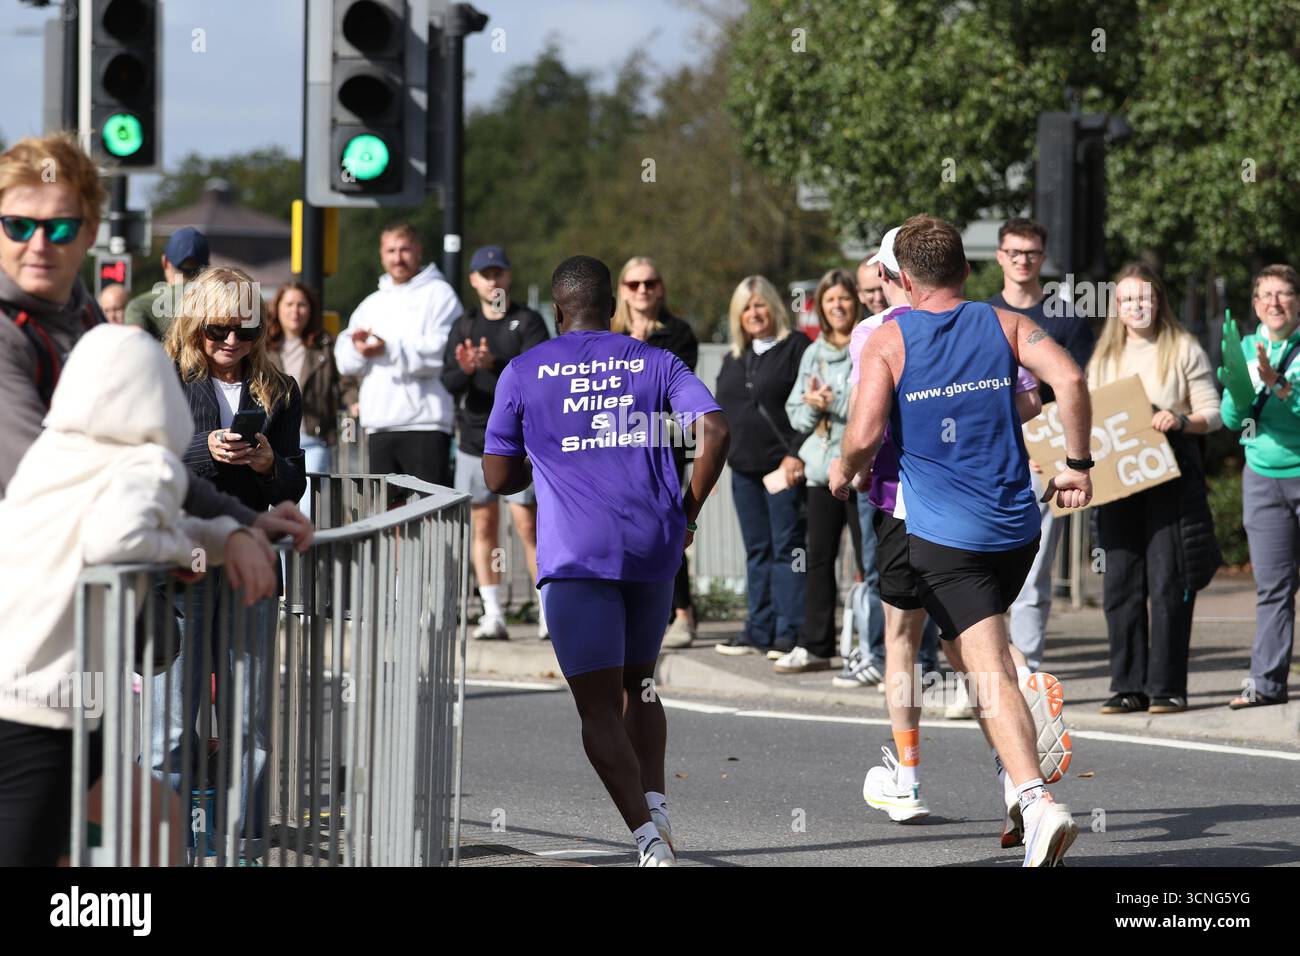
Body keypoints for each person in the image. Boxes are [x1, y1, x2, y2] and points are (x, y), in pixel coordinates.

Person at [832, 214, 1090, 866]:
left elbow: (863, 434)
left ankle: (1036, 800)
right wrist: (1078, 465)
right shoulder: (1004, 323)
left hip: (947, 537)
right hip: (1017, 528)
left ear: (903, 278)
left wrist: (844, 470)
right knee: (973, 653)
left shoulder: (887, 339)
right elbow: (1069, 380)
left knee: (984, 665)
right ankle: (1013, 773)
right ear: (968, 269)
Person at [482, 255, 729, 866]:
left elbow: (497, 475)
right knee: (640, 685)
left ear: (557, 311)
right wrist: (687, 513)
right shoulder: (655, 360)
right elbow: (716, 431)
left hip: (576, 558)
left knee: (597, 707)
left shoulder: (523, 370)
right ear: (612, 308)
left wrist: (537, 459)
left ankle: (647, 839)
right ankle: (658, 806)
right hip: (652, 549)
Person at [0, 324, 276, 866]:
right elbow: (119, 537)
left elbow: (141, 525)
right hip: (49, 704)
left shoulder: (52, 454)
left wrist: (225, 538)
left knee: (151, 821)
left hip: (32, 686)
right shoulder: (147, 464)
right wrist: (184, 552)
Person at [0, 133, 309, 551]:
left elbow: (145, 463)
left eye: (59, 227)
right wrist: (207, 535)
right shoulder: (15, 332)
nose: (38, 244)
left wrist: (244, 524)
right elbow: (52, 479)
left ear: (89, 233)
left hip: (110, 571)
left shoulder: (90, 322)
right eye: (18, 226)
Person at [153, 266, 307, 859]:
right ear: (195, 324)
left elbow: (292, 485)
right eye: (217, 330)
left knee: (251, 719)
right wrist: (206, 448)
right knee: (171, 720)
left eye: (245, 330)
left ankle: (244, 845)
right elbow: (147, 465)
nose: (231, 342)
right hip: (183, 561)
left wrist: (268, 464)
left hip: (252, 564)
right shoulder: (166, 377)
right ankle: (168, 845)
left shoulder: (279, 389)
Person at [1089, 264, 1221, 715]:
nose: (1136, 306)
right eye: (1127, 300)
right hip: (1118, 479)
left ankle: (1166, 687)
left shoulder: (1183, 348)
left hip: (1171, 476)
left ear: (1159, 300)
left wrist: (1180, 420)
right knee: (1120, 584)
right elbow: (1086, 414)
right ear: (1117, 306)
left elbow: (1213, 414)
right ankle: (1128, 686)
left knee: (1169, 582)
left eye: (1144, 298)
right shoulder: (1105, 356)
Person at [988, 218, 1095, 677]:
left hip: (1044, 462)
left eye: (1031, 252)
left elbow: (1077, 389)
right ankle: (989, 668)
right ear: (999, 256)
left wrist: (1059, 455)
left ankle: (1026, 673)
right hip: (989, 461)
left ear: (1043, 257)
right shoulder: (981, 316)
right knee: (980, 571)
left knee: (1032, 575)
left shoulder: (1066, 318)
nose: (1022, 260)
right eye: (1014, 252)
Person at [441, 245, 550, 640]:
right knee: (483, 526)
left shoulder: (528, 321)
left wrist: (494, 366)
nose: (492, 281)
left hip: (522, 442)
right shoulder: (464, 325)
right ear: (473, 280)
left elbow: (540, 375)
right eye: (485, 275)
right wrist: (468, 369)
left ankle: (547, 611)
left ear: (508, 276)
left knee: (529, 526)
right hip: (475, 441)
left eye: (498, 273)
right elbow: (449, 381)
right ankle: (493, 613)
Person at [771, 269, 864, 673]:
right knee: (819, 559)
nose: (838, 306)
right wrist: (813, 407)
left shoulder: (868, 343)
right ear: (821, 307)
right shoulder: (813, 353)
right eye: (830, 300)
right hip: (822, 471)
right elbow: (795, 413)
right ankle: (817, 645)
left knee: (870, 563)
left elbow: (872, 408)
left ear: (855, 302)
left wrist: (833, 404)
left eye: (844, 298)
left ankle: (874, 647)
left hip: (862, 470)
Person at [713, 275, 810, 657]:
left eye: (760, 304)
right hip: (743, 469)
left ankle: (790, 631)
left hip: (783, 467)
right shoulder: (734, 357)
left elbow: (811, 408)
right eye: (746, 308)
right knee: (757, 550)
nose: (754, 313)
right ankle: (758, 628)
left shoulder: (796, 347)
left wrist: (795, 454)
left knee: (789, 549)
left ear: (774, 307)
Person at [1221, 264, 1300, 710]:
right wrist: (1240, 389)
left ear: (1297, 301)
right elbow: (1233, 420)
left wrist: (1279, 385)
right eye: (1266, 295)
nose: (1275, 302)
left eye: (1284, 293)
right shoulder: (1245, 348)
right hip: (1263, 479)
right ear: (1255, 305)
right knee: (1273, 587)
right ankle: (1266, 683)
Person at [335, 222, 463, 490]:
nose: (398, 258)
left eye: (404, 249)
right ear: (381, 255)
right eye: (391, 251)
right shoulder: (372, 303)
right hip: (380, 424)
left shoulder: (440, 294)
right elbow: (344, 360)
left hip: (426, 423)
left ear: (418, 251)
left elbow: (444, 351)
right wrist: (359, 349)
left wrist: (389, 349)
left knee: (429, 509)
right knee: (386, 510)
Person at [614, 256, 701, 647]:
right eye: (634, 284)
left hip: (666, 441)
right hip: (618, 444)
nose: (642, 290)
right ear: (621, 290)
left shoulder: (678, 333)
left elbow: (674, 390)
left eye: (649, 282)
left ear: (661, 287)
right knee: (624, 527)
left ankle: (683, 612)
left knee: (666, 525)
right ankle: (642, 611)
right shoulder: (610, 335)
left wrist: (640, 351)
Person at [267, 281, 355, 516]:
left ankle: (303, 542)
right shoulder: (263, 348)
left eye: (302, 305)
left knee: (306, 512)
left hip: (313, 441)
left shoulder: (324, 346)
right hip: (272, 443)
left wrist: (354, 403)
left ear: (311, 310)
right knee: (273, 513)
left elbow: (345, 382)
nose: (295, 311)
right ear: (277, 308)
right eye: (289, 304)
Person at [124, 226, 211, 341]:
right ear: (207, 265)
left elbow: (134, 347)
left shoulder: (140, 306)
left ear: (164, 261)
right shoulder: (222, 302)